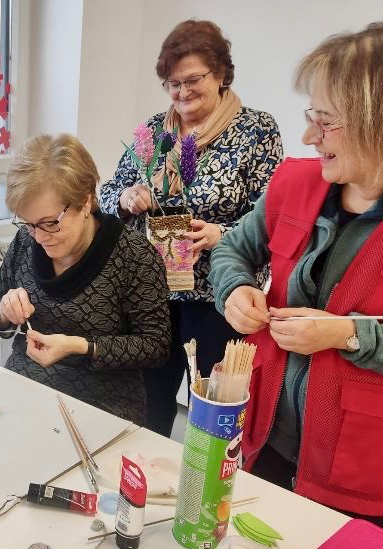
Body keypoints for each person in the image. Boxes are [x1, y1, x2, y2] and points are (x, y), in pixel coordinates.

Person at [209, 16, 383, 526]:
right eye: (312, 114)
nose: (310, 135)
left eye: (327, 120)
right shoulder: (293, 183)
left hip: (368, 470)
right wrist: (236, 287)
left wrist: (351, 335)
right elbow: (232, 252)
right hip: (266, 438)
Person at [99, 19, 283, 436]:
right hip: (150, 293)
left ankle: (204, 492)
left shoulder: (256, 131)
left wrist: (223, 235)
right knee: (147, 402)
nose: (182, 92)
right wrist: (125, 199)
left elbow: (274, 217)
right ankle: (144, 478)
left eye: (193, 79)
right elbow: (106, 194)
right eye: (172, 82)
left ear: (220, 72)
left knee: (213, 409)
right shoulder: (151, 131)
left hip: (218, 296)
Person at [0, 134, 170, 425]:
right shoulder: (26, 241)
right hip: (25, 387)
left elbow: (155, 347)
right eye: (29, 224)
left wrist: (81, 346)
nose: (40, 237)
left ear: (85, 201)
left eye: (50, 223)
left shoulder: (134, 255)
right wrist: (4, 311)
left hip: (102, 404)